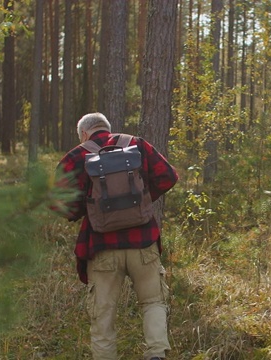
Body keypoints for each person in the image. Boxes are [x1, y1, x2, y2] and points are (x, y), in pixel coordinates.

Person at [54, 112, 178, 360]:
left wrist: (88, 210)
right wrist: (140, 204)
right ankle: (156, 354)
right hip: (143, 242)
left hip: (101, 246)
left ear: (84, 134)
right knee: (153, 302)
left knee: (103, 315)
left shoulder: (76, 156)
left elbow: (57, 202)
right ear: (107, 128)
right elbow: (168, 176)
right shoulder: (137, 144)